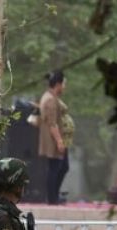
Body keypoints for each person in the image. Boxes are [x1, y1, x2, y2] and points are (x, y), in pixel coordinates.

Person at [39, 71, 71, 205]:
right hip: (53, 140)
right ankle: (52, 199)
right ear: (58, 84)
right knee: (55, 168)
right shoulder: (50, 100)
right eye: (64, 84)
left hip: (57, 139)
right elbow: (52, 123)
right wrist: (59, 141)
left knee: (62, 167)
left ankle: (54, 196)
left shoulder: (51, 97)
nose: (64, 87)